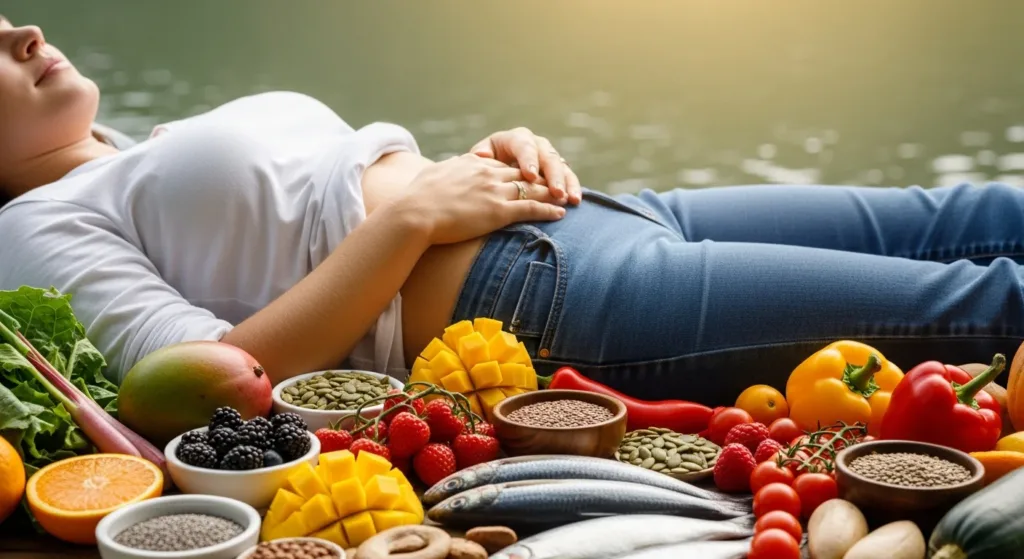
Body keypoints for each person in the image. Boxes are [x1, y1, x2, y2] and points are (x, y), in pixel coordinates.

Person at [1, 17, 1021, 407]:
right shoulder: (30, 230)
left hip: (587, 220)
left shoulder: (135, 154)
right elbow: (226, 380)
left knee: (968, 210)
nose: (25, 30)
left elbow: (322, 198)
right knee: (979, 302)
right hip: (537, 304)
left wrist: (476, 158)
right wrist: (408, 221)